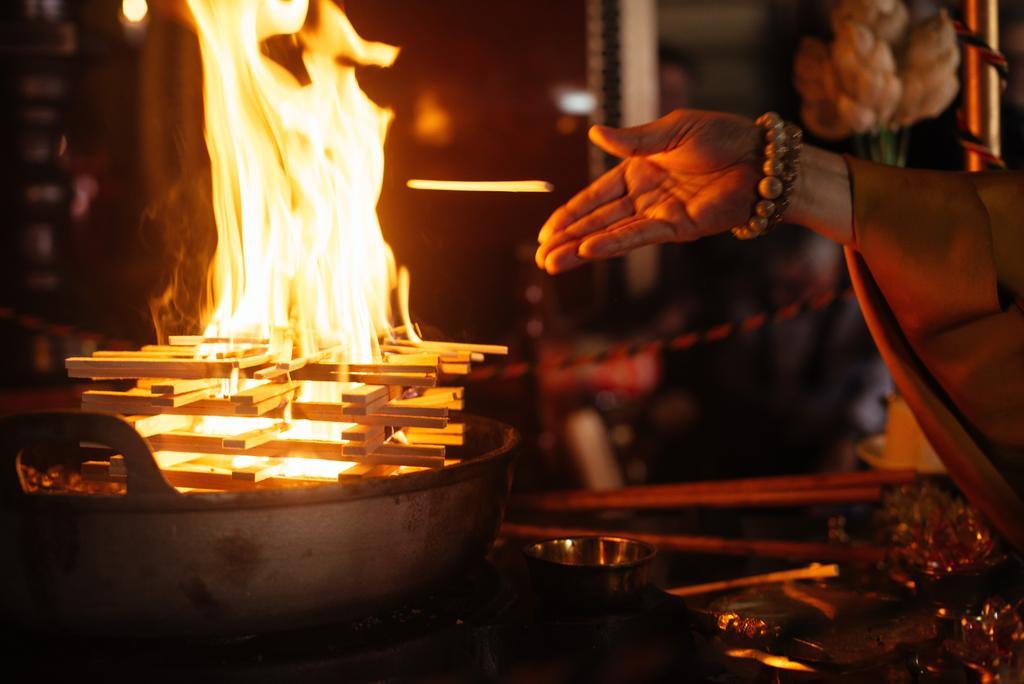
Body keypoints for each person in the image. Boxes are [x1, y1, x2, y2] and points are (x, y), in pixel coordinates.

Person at [534, 108, 1024, 546]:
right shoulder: (748, 290)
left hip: (844, 466)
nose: (790, 295)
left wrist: (841, 448)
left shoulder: (867, 296)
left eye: (803, 284)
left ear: (828, 271)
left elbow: (882, 385)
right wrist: (767, 166)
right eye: (783, 285)